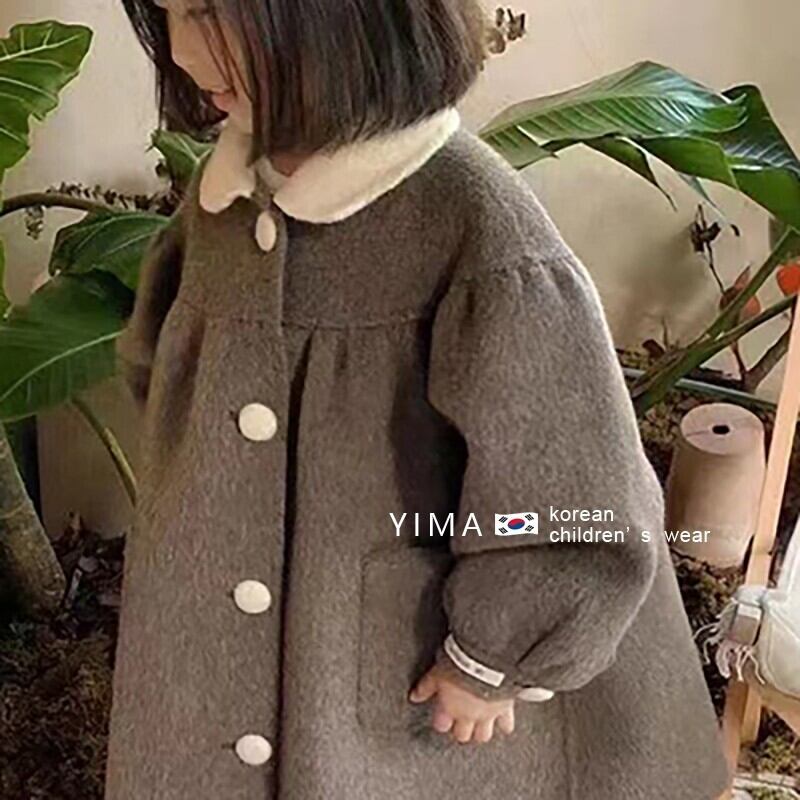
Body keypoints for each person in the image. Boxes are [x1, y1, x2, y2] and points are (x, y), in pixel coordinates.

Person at [105, 1, 731, 798]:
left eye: (205, 12)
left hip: (408, 673)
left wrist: (492, 653)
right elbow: (164, 370)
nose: (184, 52)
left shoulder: (471, 220)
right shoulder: (225, 195)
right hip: (219, 647)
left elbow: (570, 481)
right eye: (166, 14)